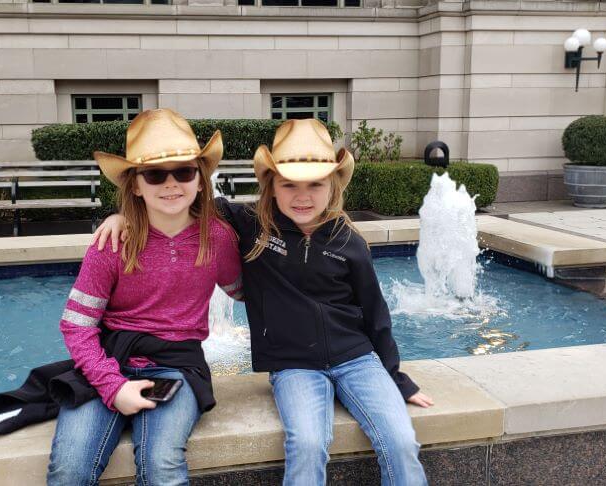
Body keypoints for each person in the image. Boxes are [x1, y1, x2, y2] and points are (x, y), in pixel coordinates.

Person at [91, 119, 434, 486]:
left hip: (358, 360)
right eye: (289, 184)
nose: (302, 196)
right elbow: (180, 203)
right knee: (307, 444)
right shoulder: (251, 225)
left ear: (333, 185)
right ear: (271, 185)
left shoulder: (349, 241)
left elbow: (376, 315)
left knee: (401, 441)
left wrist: (396, 378)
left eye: (315, 184)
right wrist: (124, 216)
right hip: (293, 366)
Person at [47, 109, 242, 486]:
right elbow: (76, 326)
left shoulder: (217, 238)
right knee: (69, 469)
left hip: (176, 367)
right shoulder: (112, 243)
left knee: (161, 467)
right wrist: (112, 385)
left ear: (201, 180)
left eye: (184, 172)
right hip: (109, 362)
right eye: (154, 174)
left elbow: (245, 291)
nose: (171, 184)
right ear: (135, 185)